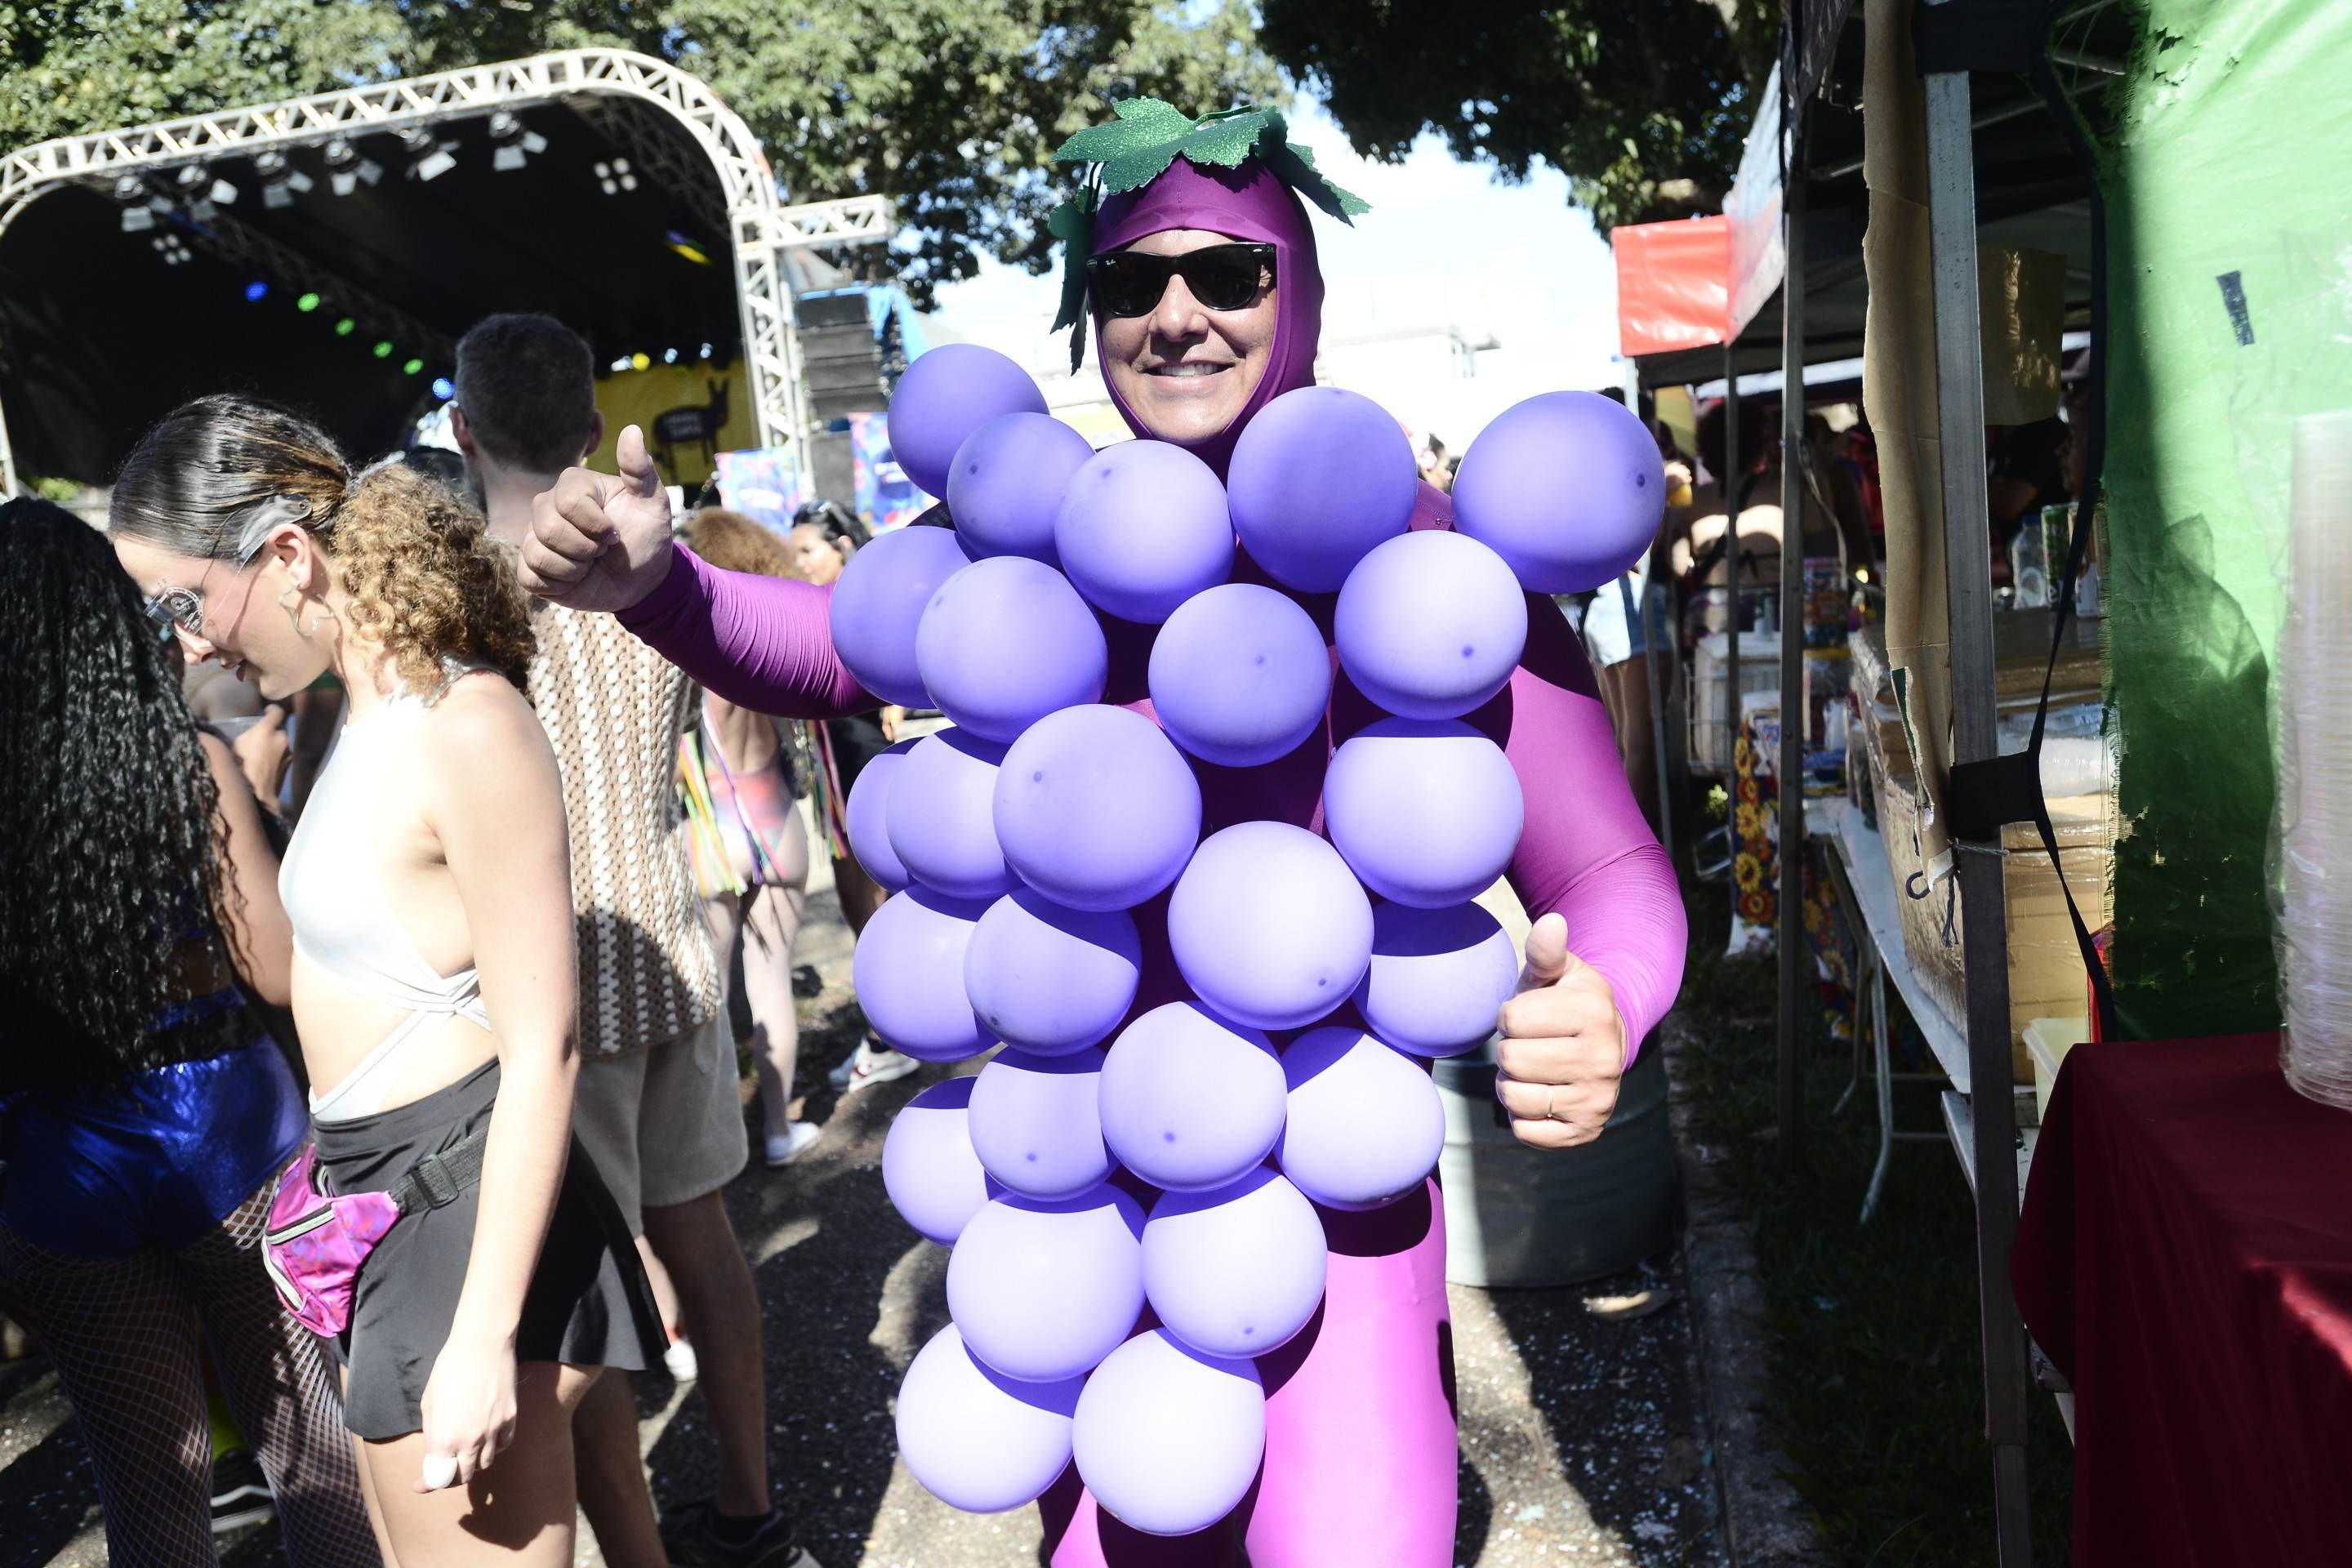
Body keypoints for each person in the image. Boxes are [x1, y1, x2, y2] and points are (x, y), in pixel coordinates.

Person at [517, 120, 1686, 1568]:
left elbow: (1615, 874)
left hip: (1335, 1198)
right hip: (1079, 1204)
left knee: (1355, 1541)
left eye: (1226, 269)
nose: (1178, 312)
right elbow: (832, 644)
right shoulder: (1039, 543)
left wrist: (1607, 1000)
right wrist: (663, 589)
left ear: (1297, 288)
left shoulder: (1435, 566)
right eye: (1131, 285)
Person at [108, 399, 666, 1566]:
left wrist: (481, 1334)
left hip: (457, 1222)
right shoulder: (357, 715)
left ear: (288, 555)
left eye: (183, 601)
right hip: (392, 1212)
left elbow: (545, 1048)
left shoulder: (464, 721)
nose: (190, 643)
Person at [450, 314, 817, 1568]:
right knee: (705, 1239)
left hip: (554, 971)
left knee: (578, 1302)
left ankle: (641, 1552)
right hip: (671, 934)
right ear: (589, 410)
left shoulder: (468, 590)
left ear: (462, 429)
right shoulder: (638, 549)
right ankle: (753, 1502)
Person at [0, 496, 381, 1567]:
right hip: (230, 1138)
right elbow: (273, 967)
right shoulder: (189, 763)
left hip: (51, 1163)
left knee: (153, 1493)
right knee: (314, 1457)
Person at [677, 508, 820, 1168]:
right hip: (776, 818)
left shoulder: (679, 645)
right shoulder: (768, 646)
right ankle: (779, 1133)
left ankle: (710, 1156)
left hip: (709, 831)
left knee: (706, 1009)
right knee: (771, 988)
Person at [782, 501, 916, 1097]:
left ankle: (893, 1038)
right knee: (855, 907)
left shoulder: (863, 605)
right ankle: (886, 1029)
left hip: (864, 769)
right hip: (837, 779)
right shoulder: (812, 608)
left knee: (877, 907)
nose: (798, 562)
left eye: (807, 549)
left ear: (840, 547)